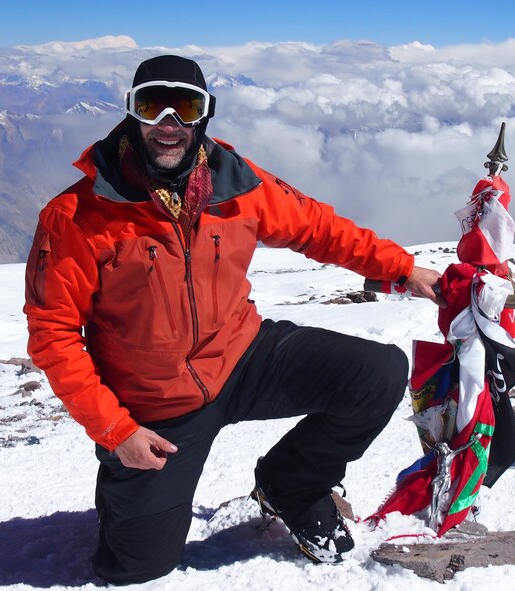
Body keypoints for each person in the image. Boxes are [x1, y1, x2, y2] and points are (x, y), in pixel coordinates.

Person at [23, 54, 443, 584]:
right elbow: (53, 335)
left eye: (186, 107)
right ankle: (125, 498)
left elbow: (318, 228)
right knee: (137, 567)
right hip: (156, 404)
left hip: (242, 355)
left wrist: (404, 270)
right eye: (153, 106)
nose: (169, 125)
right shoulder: (78, 216)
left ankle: (289, 482)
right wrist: (115, 431)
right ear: (132, 113)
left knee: (375, 373)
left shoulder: (236, 183)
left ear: (205, 114)